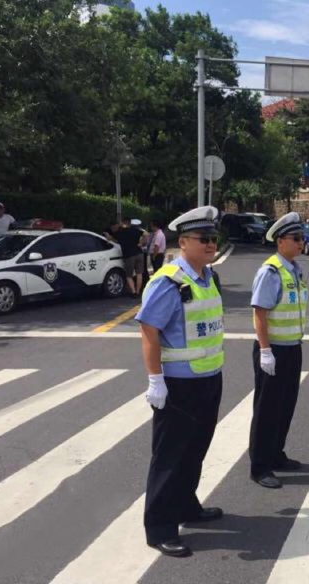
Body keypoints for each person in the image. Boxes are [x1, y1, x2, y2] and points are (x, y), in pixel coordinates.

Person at [135, 206, 225, 558]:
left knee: (195, 450)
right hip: (177, 387)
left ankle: (187, 505)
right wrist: (155, 380)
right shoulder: (168, 281)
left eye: (214, 239)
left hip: (208, 380)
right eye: (204, 239)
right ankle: (159, 526)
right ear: (184, 241)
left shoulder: (209, 278)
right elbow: (149, 330)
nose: (210, 244)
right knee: (169, 456)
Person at [249, 212, 307, 489]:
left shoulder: (294, 270)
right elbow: (259, 314)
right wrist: (265, 350)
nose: (301, 243)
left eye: (302, 238)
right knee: (267, 409)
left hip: (292, 348)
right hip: (273, 351)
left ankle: (276, 454)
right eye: (296, 239)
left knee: (286, 406)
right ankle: (260, 466)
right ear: (281, 241)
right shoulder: (270, 271)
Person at [116, 217, 144, 297]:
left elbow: (115, 241)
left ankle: (134, 292)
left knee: (129, 275)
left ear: (123, 222)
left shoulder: (120, 232)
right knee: (139, 273)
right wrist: (141, 243)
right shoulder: (135, 230)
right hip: (139, 253)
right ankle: (138, 291)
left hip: (129, 255)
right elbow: (146, 234)